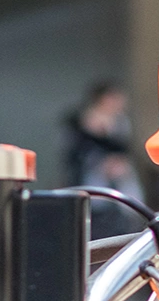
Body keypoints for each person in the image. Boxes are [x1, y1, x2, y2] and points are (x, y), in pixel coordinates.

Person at [63, 82, 147, 236]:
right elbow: (76, 152)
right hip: (91, 175)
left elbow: (123, 147)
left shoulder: (121, 121)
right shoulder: (82, 120)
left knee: (125, 210)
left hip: (118, 174)